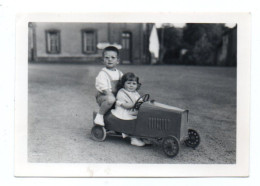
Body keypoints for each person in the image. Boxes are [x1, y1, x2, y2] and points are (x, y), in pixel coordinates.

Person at [111, 72, 145, 147]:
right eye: (129, 83)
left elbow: (140, 100)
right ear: (123, 84)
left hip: (131, 110)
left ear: (137, 85)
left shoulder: (135, 93)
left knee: (144, 116)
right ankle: (134, 138)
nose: (131, 86)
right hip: (123, 111)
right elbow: (125, 105)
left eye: (134, 84)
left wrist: (142, 103)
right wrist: (135, 104)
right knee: (134, 120)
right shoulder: (122, 92)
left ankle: (144, 136)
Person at [94, 46, 123, 126]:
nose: (109, 59)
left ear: (117, 61)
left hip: (115, 96)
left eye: (113, 57)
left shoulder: (120, 73)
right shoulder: (103, 74)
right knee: (111, 99)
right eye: (107, 57)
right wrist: (116, 98)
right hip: (104, 96)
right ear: (103, 60)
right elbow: (104, 89)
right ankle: (99, 116)